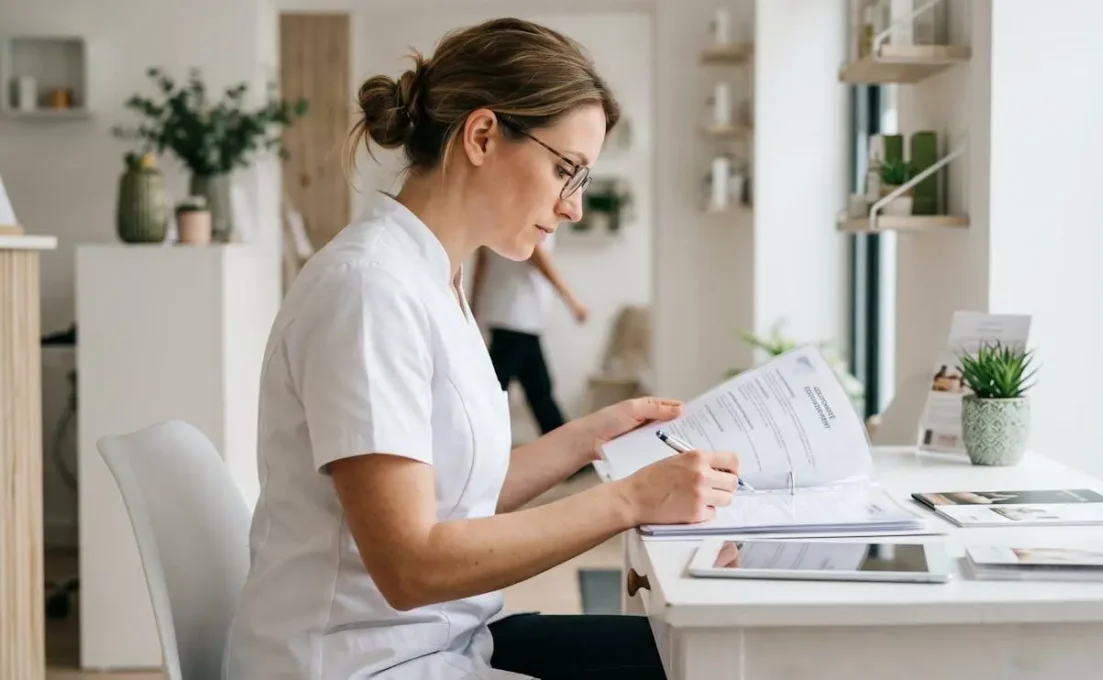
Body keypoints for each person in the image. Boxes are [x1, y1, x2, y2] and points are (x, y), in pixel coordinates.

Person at [223, 18, 740, 680]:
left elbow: (459, 497)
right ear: (483, 135)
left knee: (709, 653)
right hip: (360, 661)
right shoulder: (369, 291)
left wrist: (596, 437)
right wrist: (629, 501)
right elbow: (412, 564)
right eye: (566, 170)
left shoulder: (434, 277)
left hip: (442, 639)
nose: (573, 207)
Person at [471, 233, 586, 436]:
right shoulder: (531, 222)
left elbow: (482, 263)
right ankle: (471, 440)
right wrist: (571, 299)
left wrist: (472, 306)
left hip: (507, 314)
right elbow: (539, 257)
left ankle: (564, 446)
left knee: (536, 390)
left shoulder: (496, 219)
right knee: (498, 390)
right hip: (519, 316)